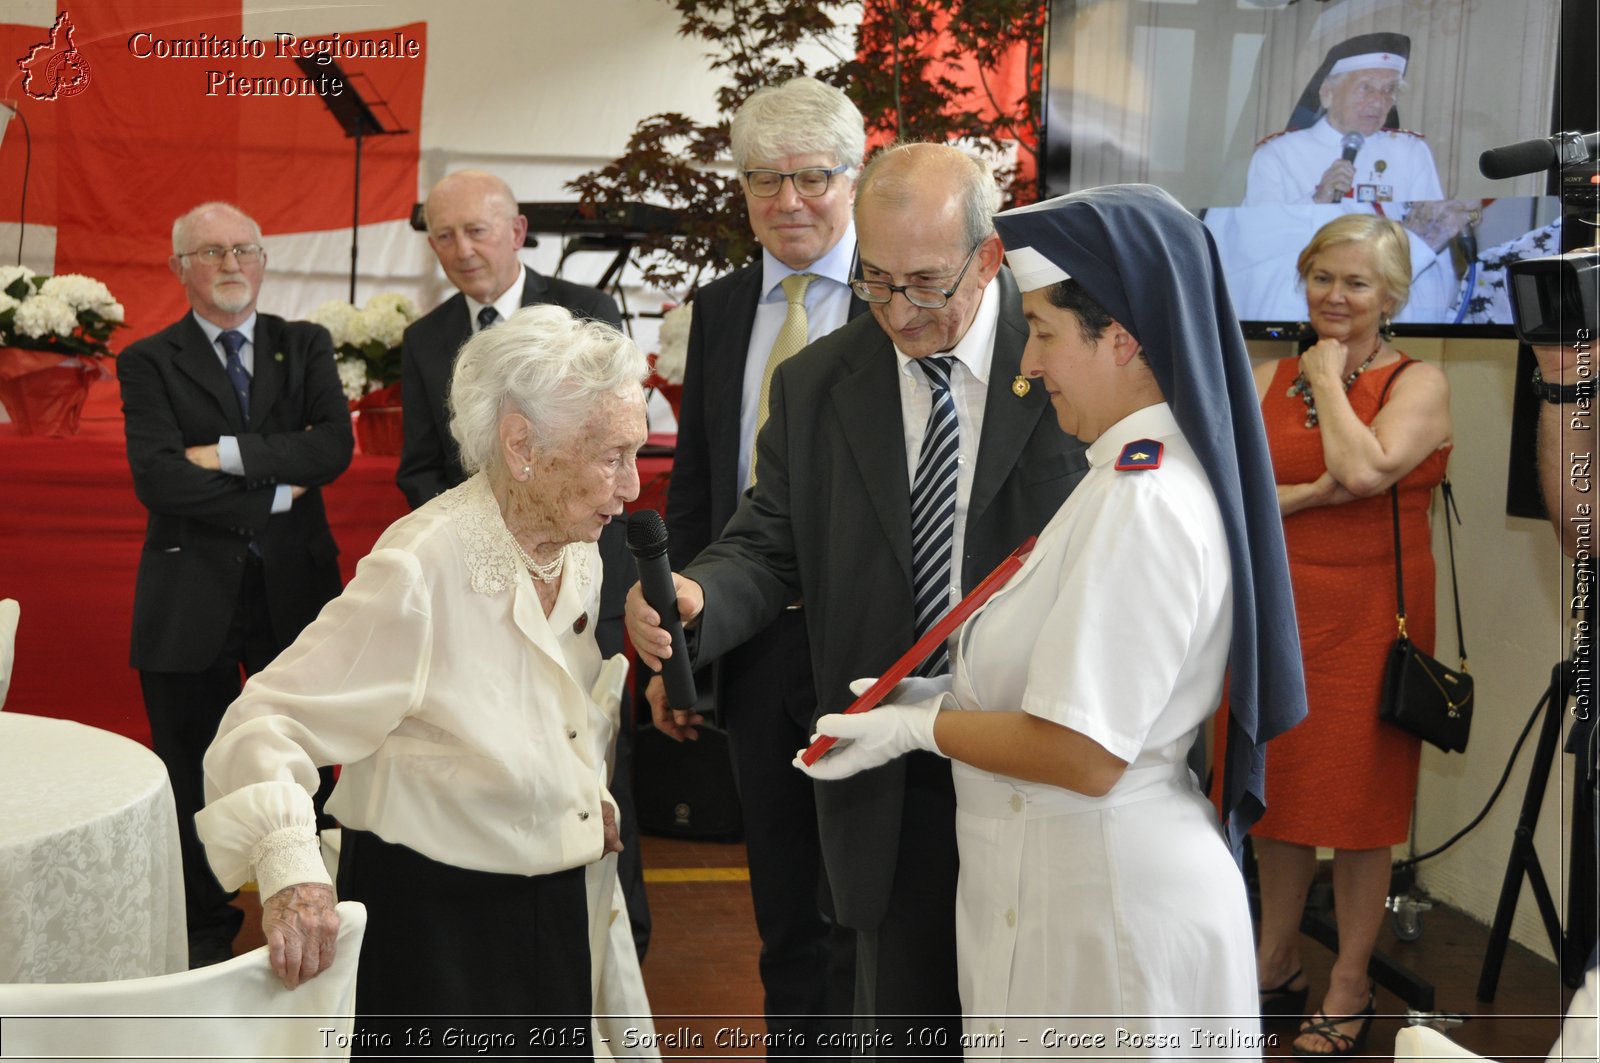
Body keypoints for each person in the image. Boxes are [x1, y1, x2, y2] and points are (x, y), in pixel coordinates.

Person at [795, 183, 1307, 1054]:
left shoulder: (1142, 497)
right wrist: (941, 689)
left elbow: (1083, 751)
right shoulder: (1116, 476)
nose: (1028, 365)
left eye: (1043, 331)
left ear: (1123, 337)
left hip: (1108, 908)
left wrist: (924, 726)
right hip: (1075, 888)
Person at [626, 142, 1088, 1052]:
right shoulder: (818, 382)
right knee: (904, 1011)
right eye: (875, 280)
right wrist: (696, 596)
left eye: (924, 282)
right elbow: (766, 542)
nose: (897, 310)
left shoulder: (1073, 362)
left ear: (987, 256)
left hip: (1043, 752)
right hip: (891, 762)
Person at [196, 305, 649, 1057]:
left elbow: (546, 703)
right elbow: (265, 719)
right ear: (521, 445)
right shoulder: (420, 566)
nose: (631, 486)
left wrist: (581, 792)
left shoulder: (577, 547)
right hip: (436, 918)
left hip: (549, 902)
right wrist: (291, 870)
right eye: (611, 456)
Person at [660, 75, 866, 1051]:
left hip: (873, 647)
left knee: (866, 907)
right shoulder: (721, 306)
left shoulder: (901, 298)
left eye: (810, 179)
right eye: (762, 181)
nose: (787, 201)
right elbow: (696, 487)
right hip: (749, 644)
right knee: (781, 903)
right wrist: (681, 655)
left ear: (853, 178)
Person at [398, 168, 649, 956]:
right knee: (500, 754)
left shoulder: (591, 312)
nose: (461, 249)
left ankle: (619, 934)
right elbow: (416, 468)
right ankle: (516, 935)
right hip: (477, 586)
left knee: (598, 767)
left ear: (516, 232)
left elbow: (615, 445)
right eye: (443, 234)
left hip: (580, 575)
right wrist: (495, 525)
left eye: (477, 230)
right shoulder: (425, 338)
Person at [118, 201, 353, 969]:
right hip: (189, 605)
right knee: (190, 773)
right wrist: (275, 490)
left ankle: (316, 920)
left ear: (263, 260)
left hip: (297, 596)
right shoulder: (149, 360)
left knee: (309, 769)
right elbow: (156, 478)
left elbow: (330, 450)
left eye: (244, 248)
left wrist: (217, 454)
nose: (230, 263)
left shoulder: (304, 343)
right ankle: (202, 946)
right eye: (210, 250)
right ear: (178, 266)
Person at [1244, 214, 1452, 1056]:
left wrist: (1329, 383)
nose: (1335, 295)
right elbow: (1236, 496)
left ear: (1391, 296)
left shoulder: (1421, 380)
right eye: (1322, 277)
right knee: (1280, 797)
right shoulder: (1261, 374)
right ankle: (1276, 953)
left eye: (1357, 283)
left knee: (1362, 811)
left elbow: (1366, 469)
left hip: (1373, 619)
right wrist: (1312, 494)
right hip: (1276, 612)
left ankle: (1350, 977)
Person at [1244, 33, 1443, 207]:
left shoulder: (1411, 152)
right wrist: (1316, 201)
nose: (1379, 102)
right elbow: (1259, 236)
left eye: (1389, 89)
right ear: (1328, 93)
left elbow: (1432, 231)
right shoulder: (1279, 155)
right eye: (1366, 87)